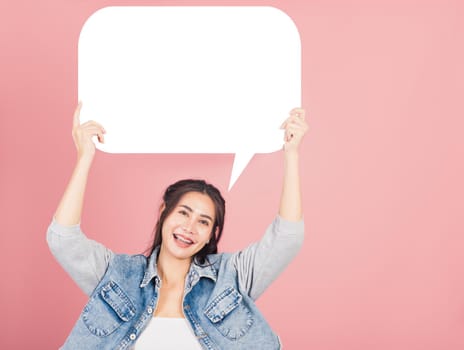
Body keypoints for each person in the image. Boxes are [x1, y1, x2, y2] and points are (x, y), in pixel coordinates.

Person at [47, 102, 308, 350]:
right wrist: (84, 157)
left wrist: (292, 154)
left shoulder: (234, 276)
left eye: (203, 222)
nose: (189, 227)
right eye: (183, 213)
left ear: (210, 235)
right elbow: (63, 240)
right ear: (164, 213)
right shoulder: (116, 275)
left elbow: (287, 237)